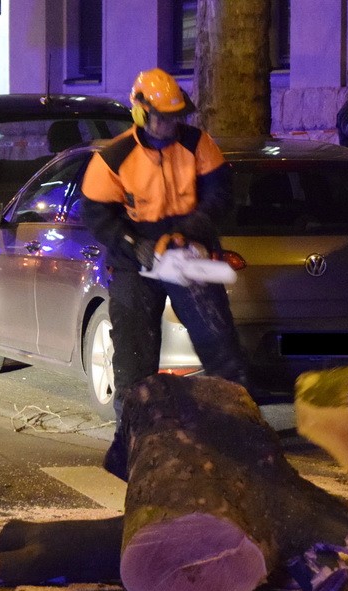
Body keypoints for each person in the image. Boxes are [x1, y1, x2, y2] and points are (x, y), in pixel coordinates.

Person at [80, 68, 250, 479]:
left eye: (175, 117)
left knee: (221, 348)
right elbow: (96, 212)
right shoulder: (114, 158)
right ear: (140, 113)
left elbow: (220, 193)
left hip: (188, 253)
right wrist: (129, 241)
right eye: (161, 117)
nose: (169, 125)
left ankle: (242, 439)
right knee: (135, 361)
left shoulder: (198, 144)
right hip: (135, 264)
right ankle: (131, 449)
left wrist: (196, 225)